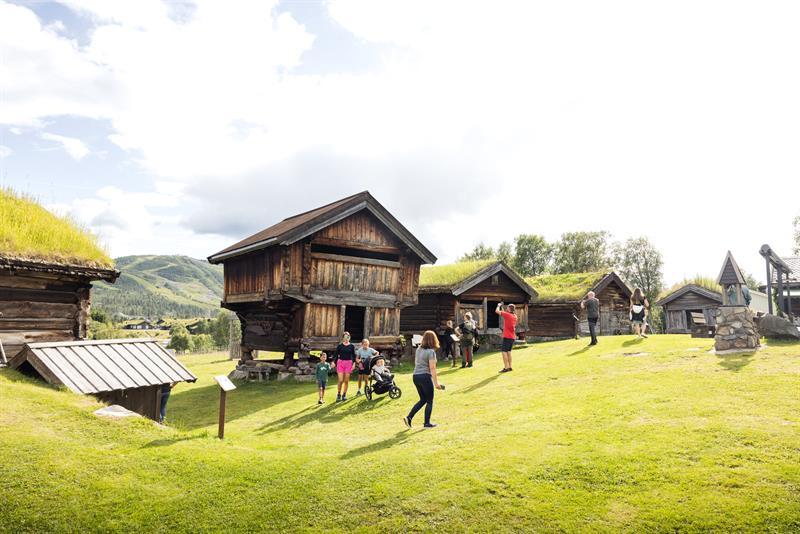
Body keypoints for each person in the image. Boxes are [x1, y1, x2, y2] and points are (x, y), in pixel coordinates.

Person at [403, 330, 443, 429]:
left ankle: (409, 417)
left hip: (416, 376)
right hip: (425, 376)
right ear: (434, 340)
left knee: (423, 399)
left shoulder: (418, 349)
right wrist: (436, 383)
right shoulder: (431, 352)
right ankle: (427, 423)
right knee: (429, 401)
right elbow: (432, 368)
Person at [334, 332, 356, 401]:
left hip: (348, 363)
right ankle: (338, 394)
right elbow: (336, 355)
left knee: (346, 381)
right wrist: (334, 362)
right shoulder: (340, 346)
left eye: (348, 337)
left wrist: (354, 364)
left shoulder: (352, 346)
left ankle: (344, 395)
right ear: (343, 338)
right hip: (340, 363)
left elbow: (354, 356)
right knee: (340, 380)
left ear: (349, 338)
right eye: (345, 337)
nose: (346, 339)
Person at [496, 303, 517, 373]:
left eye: (507, 307)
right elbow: (504, 313)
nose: (506, 308)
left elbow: (496, 311)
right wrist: (502, 308)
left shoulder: (507, 315)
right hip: (512, 337)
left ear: (509, 309)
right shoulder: (514, 316)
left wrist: (498, 306)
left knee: (504, 352)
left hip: (507, 337)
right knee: (509, 352)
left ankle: (506, 367)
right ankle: (510, 366)